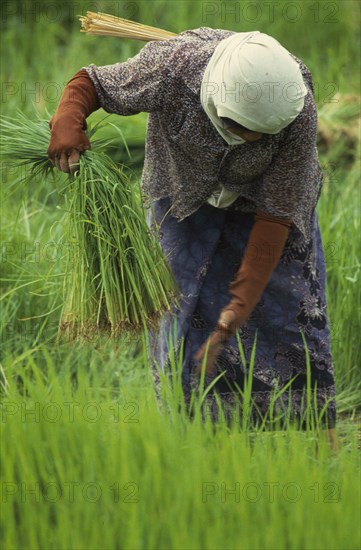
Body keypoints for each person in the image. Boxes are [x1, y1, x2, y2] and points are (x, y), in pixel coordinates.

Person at [47, 27, 337, 441]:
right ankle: (195, 436)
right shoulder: (175, 67)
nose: (253, 139)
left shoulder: (296, 106)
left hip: (264, 205)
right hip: (182, 199)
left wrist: (237, 309)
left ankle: (316, 437)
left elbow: (276, 214)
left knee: (288, 309)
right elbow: (93, 82)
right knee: (182, 310)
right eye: (242, 128)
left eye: (262, 135)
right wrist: (68, 119)